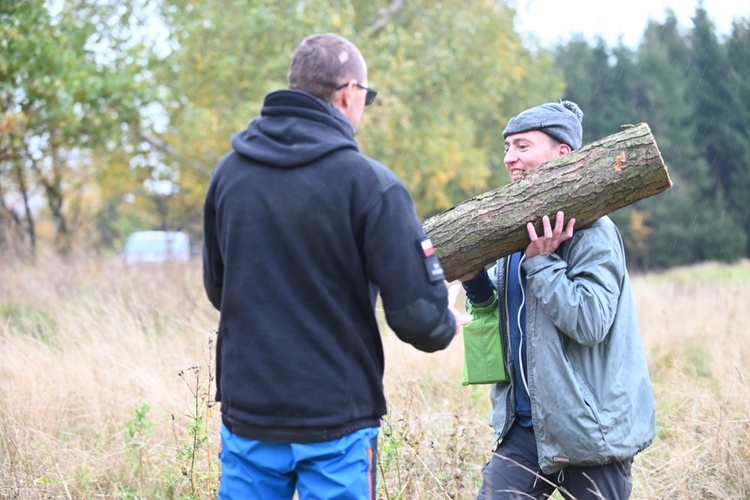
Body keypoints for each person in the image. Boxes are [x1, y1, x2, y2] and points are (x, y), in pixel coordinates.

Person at [202, 33, 471, 500]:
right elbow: (420, 320)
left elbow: (217, 288)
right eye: (367, 96)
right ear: (349, 92)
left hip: (250, 411)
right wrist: (444, 318)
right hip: (335, 419)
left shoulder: (229, 174)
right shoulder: (370, 184)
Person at [460, 101, 656, 499]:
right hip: (525, 431)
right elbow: (511, 320)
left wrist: (543, 264)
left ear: (562, 153)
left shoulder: (592, 232)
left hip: (589, 432)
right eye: (506, 148)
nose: (509, 158)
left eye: (522, 147)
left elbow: (590, 322)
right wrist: (475, 283)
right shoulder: (514, 232)